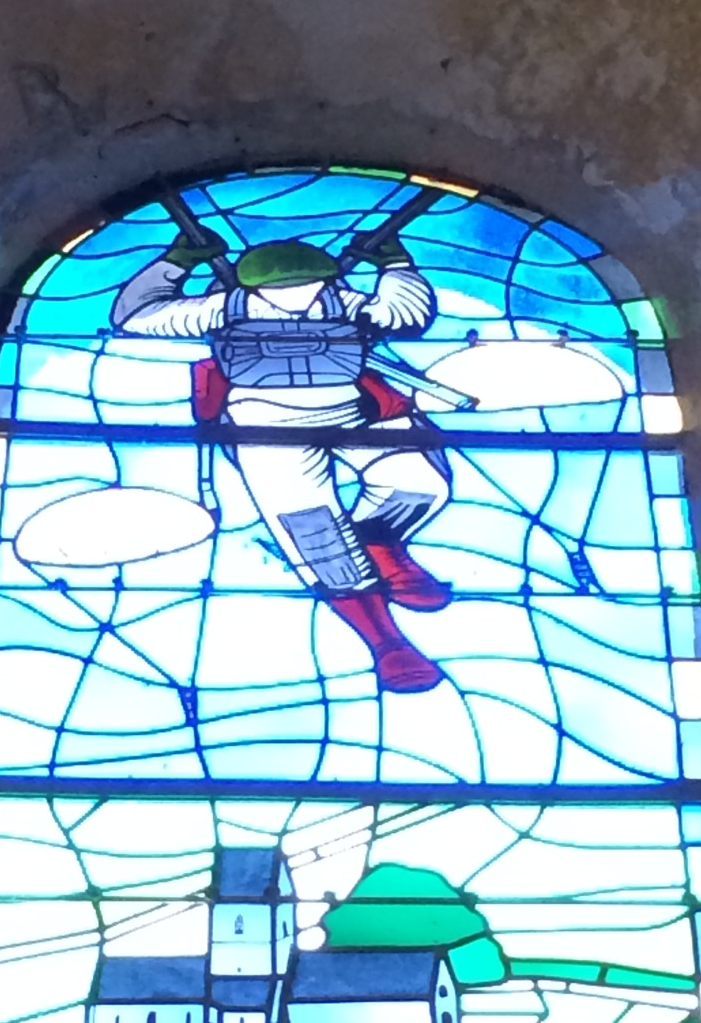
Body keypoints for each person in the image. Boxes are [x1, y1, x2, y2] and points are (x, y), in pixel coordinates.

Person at [113, 224, 452, 691]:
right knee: (312, 530)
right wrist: (177, 262)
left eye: (308, 284)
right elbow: (138, 317)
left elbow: (404, 316)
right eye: (283, 287)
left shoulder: (343, 302)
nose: (298, 294)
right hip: (265, 420)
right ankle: (386, 643)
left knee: (420, 482)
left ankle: (380, 543)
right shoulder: (222, 307)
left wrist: (396, 267)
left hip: (353, 407)